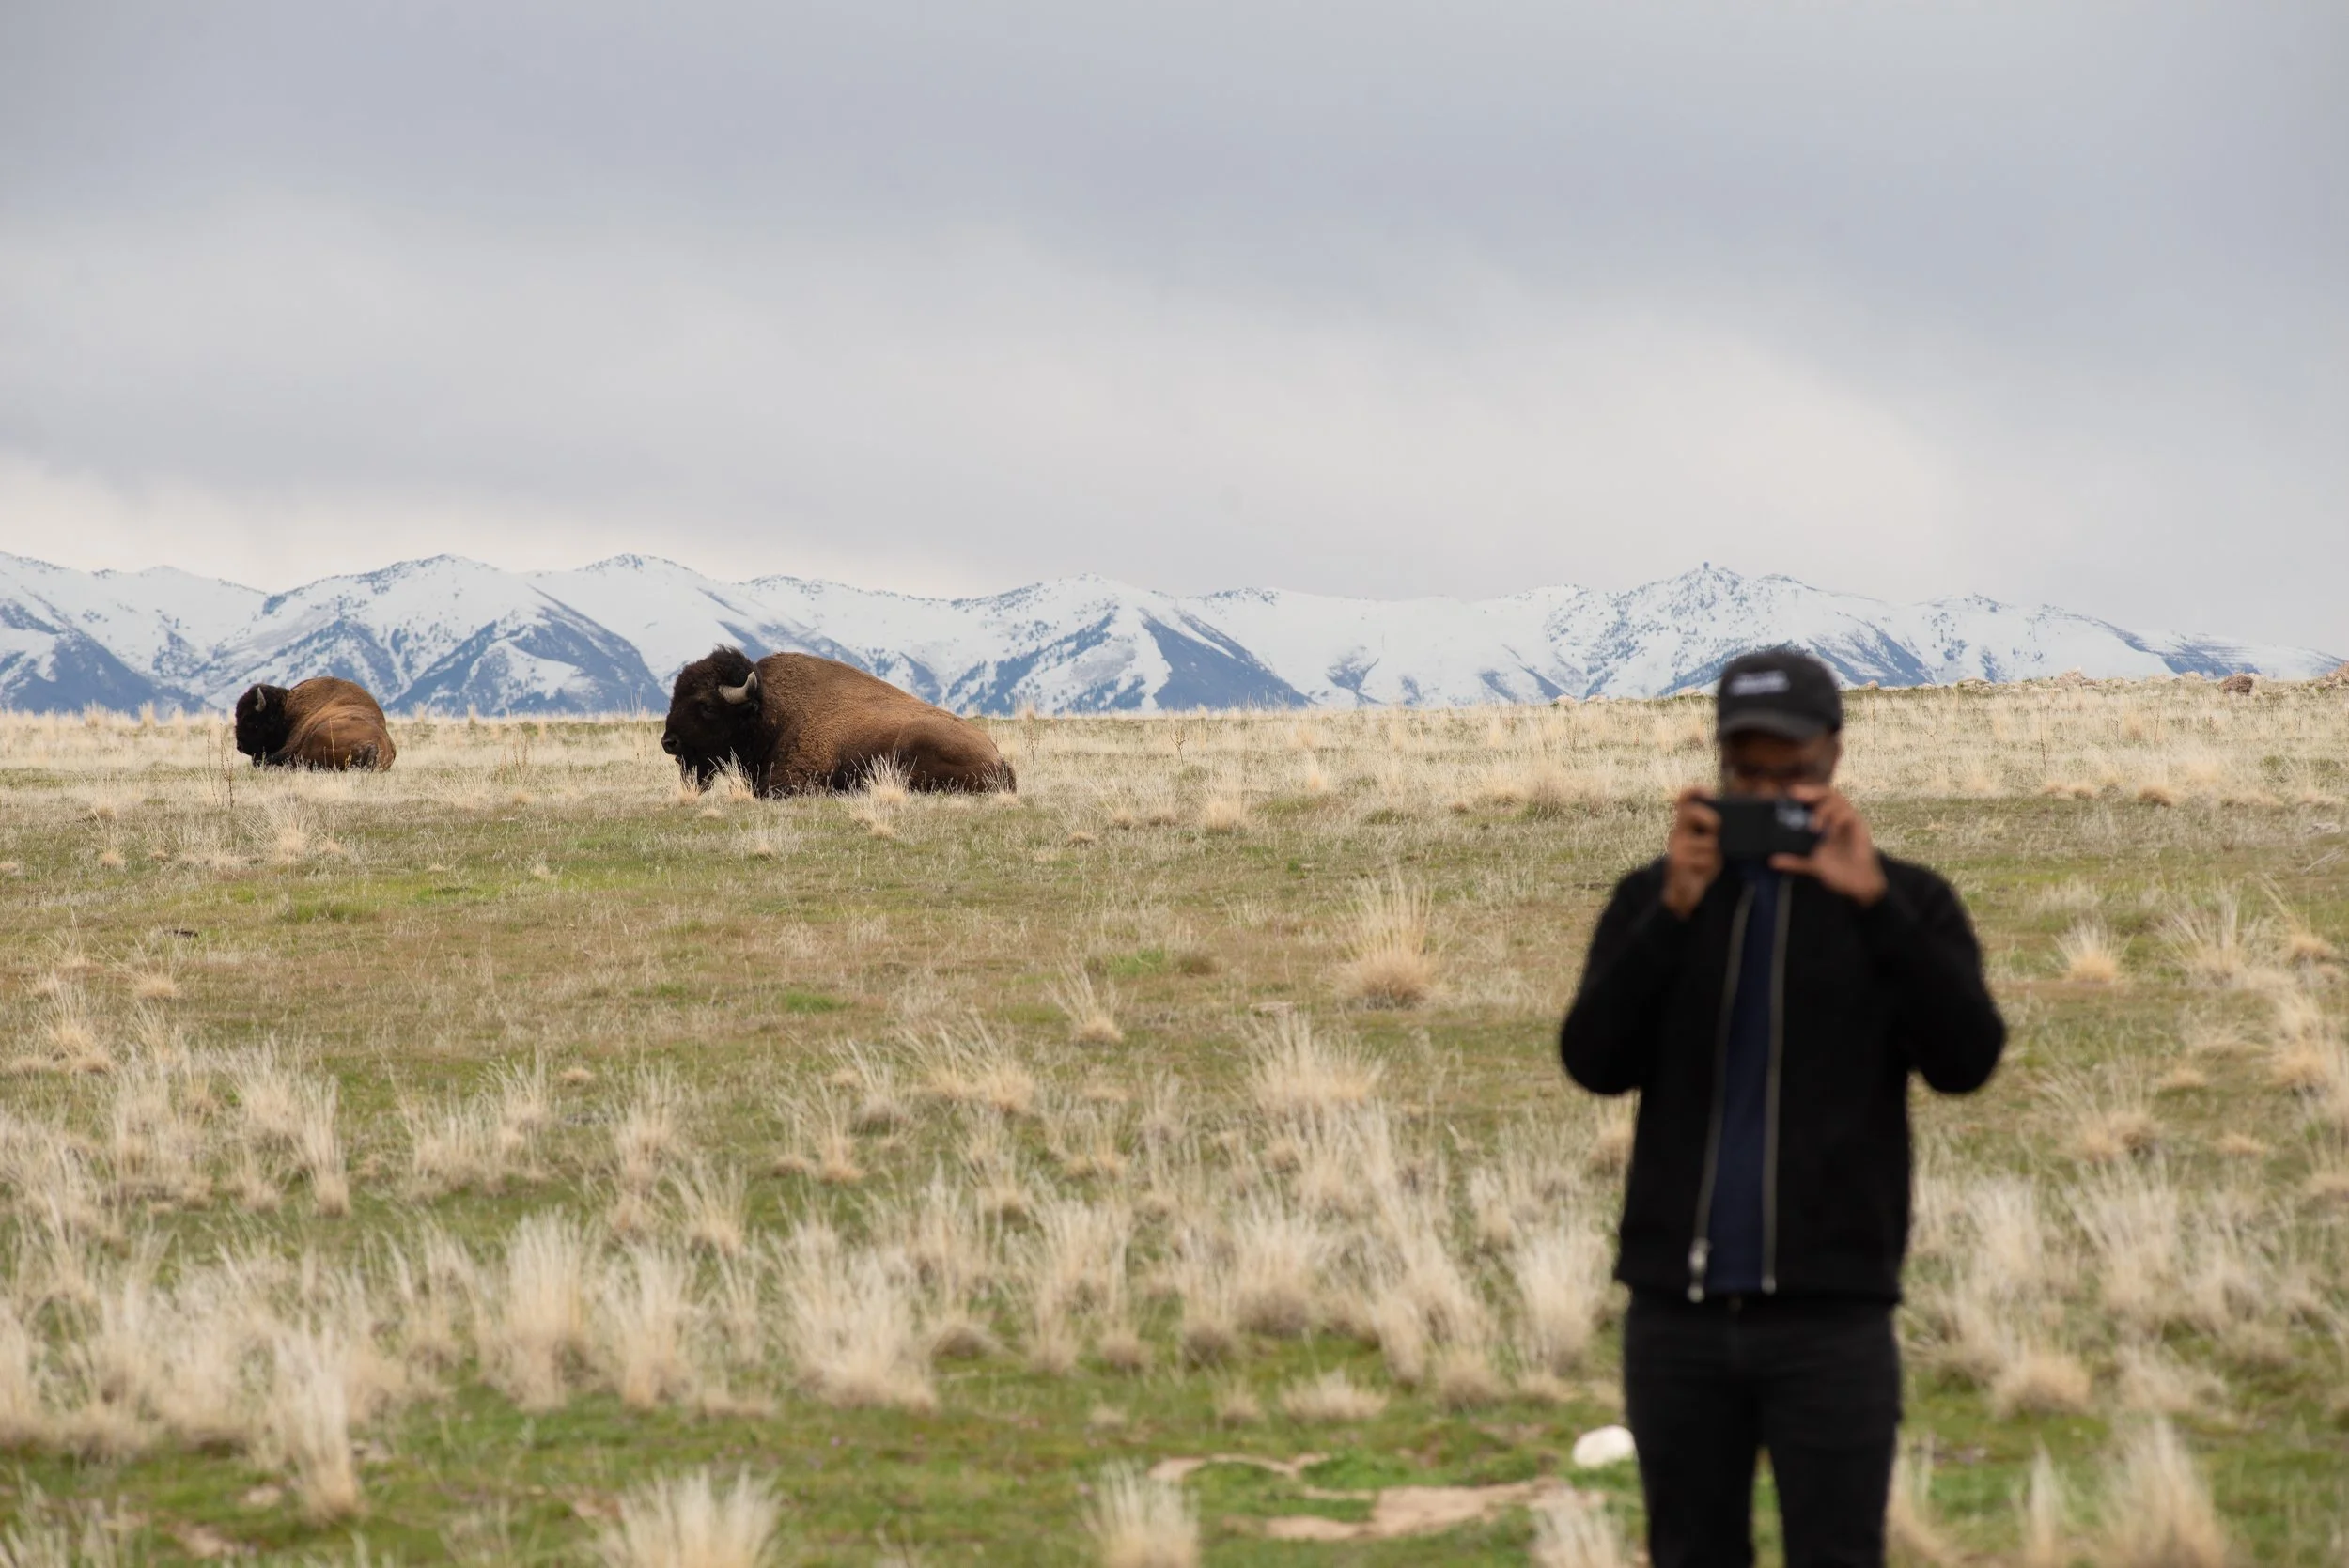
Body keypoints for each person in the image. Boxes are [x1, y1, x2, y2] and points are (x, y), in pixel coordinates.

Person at [1559, 648, 2004, 1568]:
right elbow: (1592, 1060)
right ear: (1716, 765)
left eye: (1791, 773)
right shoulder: (1655, 896)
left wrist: (1874, 904)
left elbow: (1966, 1059)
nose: (1770, 793)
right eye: (1748, 774)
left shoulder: (1908, 900)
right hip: (1674, 1317)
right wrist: (1671, 912)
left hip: (1832, 1318)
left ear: (1835, 759)